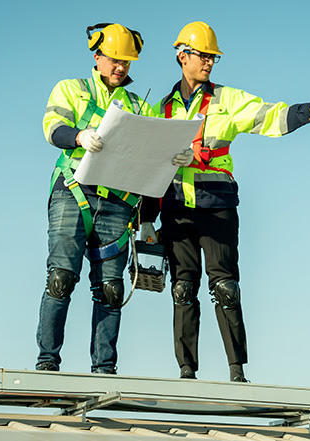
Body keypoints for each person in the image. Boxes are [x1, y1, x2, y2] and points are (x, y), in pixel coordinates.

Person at [139, 21, 310, 382]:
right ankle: (187, 371)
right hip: (175, 209)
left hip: (216, 206)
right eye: (203, 55)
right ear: (182, 56)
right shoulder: (159, 109)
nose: (208, 62)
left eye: (212, 57)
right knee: (182, 288)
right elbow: (147, 166)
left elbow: (271, 115)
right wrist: (145, 218)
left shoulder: (228, 100)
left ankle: (236, 371)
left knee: (225, 288)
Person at [35, 23, 193, 374]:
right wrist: (78, 136)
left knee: (110, 289)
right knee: (61, 277)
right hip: (73, 192)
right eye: (114, 60)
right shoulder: (71, 89)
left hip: (118, 204)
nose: (121, 67)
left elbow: (154, 149)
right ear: (97, 57)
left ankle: (104, 371)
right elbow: (52, 128)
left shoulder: (138, 104)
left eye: (126, 61)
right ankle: (47, 364)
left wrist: (175, 156)